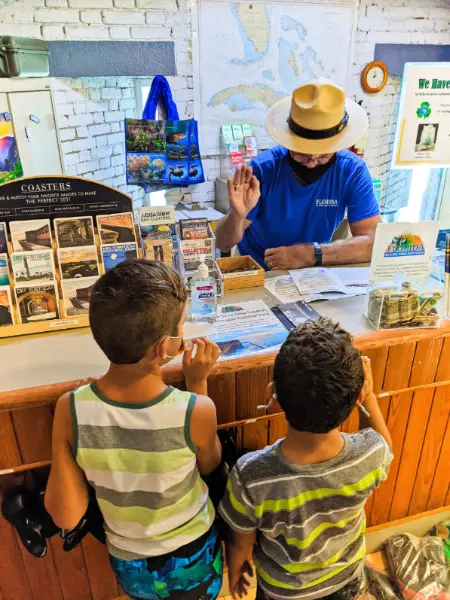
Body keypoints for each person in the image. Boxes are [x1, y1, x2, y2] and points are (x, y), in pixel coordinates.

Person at [45, 259, 224, 600]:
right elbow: (210, 466)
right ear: (163, 348)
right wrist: (197, 383)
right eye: (181, 327)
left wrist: (63, 431)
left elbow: (66, 515)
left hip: (130, 566)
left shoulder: (70, 408)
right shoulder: (195, 410)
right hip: (194, 555)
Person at [219, 317, 393, 600]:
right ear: (358, 395)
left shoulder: (251, 474)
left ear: (271, 394)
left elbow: (240, 539)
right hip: (345, 582)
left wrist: (237, 569)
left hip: (282, 592)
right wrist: (369, 396)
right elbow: (383, 443)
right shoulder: (369, 455)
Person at [215, 79, 381, 270]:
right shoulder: (263, 169)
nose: (311, 163)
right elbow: (222, 243)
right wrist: (237, 215)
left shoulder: (352, 171)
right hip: (259, 273)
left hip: (314, 271)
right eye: (302, 154)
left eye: (323, 156)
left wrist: (311, 253)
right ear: (289, 142)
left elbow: (373, 243)